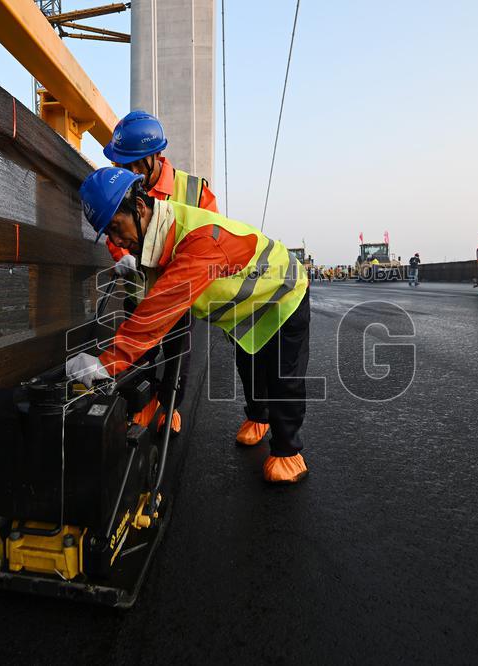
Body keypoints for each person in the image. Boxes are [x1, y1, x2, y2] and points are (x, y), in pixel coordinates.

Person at [67, 168, 311, 484]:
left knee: (282, 374)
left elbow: (160, 309)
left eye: (116, 228)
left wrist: (106, 363)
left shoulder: (198, 241)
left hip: (284, 293)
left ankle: (288, 451)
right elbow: (153, 312)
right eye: (108, 234)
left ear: (140, 208)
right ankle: (259, 418)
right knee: (249, 364)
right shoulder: (157, 242)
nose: (116, 241)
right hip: (249, 307)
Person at [101, 110, 219, 435]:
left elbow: (210, 239)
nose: (131, 171)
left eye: (137, 163)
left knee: (177, 351)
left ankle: (169, 407)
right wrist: (120, 256)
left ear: (156, 155)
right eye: (124, 164)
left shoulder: (193, 191)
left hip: (178, 294)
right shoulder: (121, 188)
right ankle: (144, 403)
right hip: (139, 292)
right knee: (140, 352)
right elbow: (114, 230)